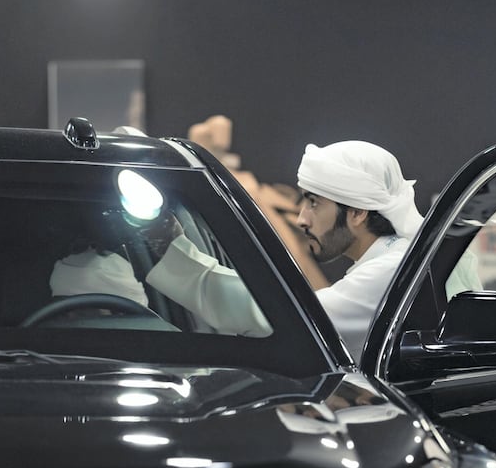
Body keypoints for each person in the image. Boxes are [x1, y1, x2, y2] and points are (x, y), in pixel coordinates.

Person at [144, 140, 470, 361]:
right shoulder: (399, 259)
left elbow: (279, 315)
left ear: (357, 212)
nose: (301, 218)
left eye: (314, 203)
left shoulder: (392, 271)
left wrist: (169, 247)